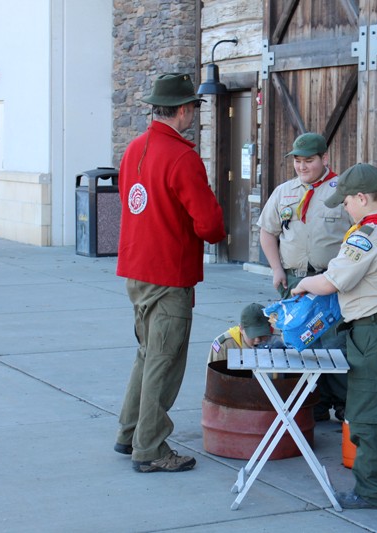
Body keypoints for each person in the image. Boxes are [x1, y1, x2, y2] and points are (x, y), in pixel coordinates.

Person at [115, 73, 226, 473]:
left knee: (147, 354)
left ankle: (130, 432)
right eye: (194, 106)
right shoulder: (182, 157)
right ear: (183, 109)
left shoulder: (135, 149)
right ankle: (150, 448)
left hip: (138, 269)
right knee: (165, 360)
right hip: (169, 273)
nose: (194, 112)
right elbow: (209, 224)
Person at [292, 163, 377, 510]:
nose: (344, 207)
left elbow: (331, 282)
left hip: (374, 331)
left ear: (362, 197)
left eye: (346, 201)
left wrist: (302, 284)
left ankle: (373, 492)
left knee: (368, 414)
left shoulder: (368, 235)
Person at [258, 132, 351, 422]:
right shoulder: (284, 192)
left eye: (308, 161)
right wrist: (275, 268)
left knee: (334, 344)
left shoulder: (341, 191)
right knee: (300, 342)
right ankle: (313, 403)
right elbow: (267, 231)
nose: (302, 167)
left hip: (331, 282)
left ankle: (343, 403)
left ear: (324, 158)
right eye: (297, 161)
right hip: (295, 282)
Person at [208, 303, 279, 363]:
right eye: (252, 334)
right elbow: (214, 376)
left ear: (269, 328)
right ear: (241, 329)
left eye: (262, 334)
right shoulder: (224, 345)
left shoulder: (280, 339)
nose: (257, 340)